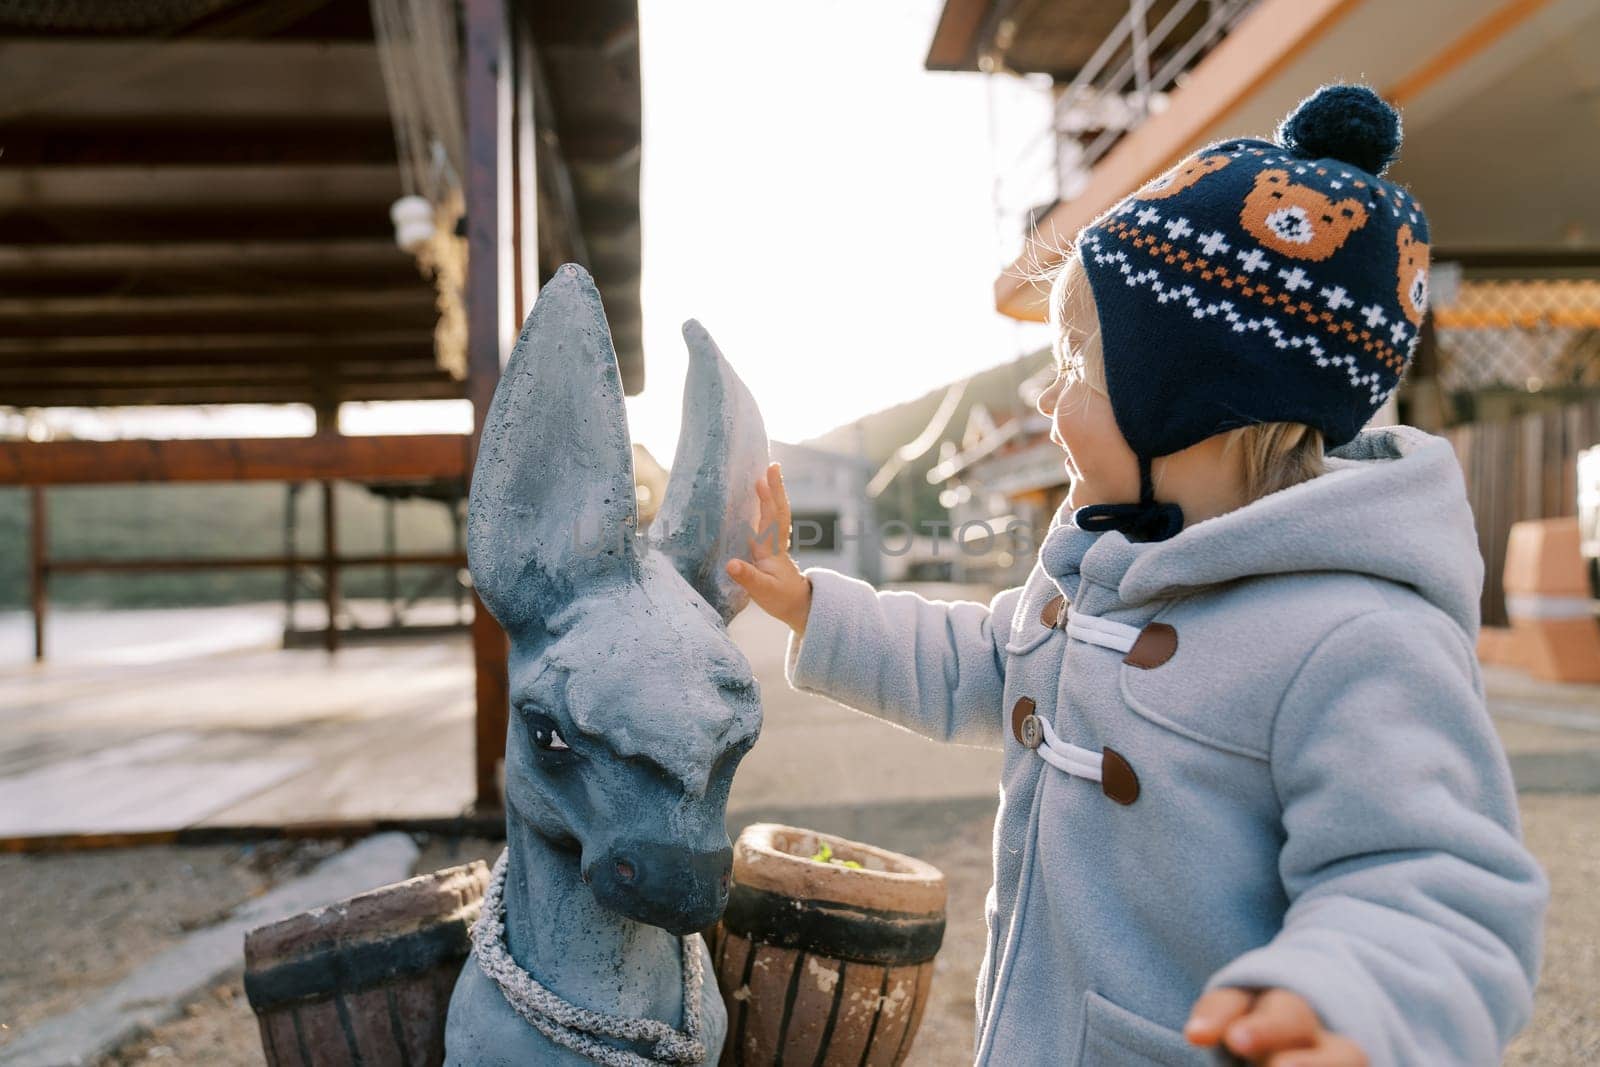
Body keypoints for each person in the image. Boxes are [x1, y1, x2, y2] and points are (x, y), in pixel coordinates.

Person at [726, 85, 1546, 1066]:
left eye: (1078, 364)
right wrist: (810, 601)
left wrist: (1343, 1004)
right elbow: (987, 656)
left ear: (1195, 400)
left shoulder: (1357, 634)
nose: (1045, 394)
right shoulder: (1104, 557)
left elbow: (1431, 881)